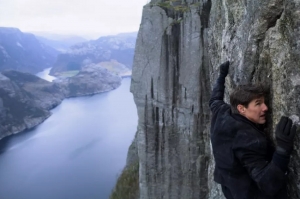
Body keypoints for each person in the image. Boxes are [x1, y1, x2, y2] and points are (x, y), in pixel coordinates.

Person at [209, 61, 297, 199]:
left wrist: (221, 76)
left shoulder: (222, 112)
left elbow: (214, 100)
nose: (265, 108)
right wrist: (283, 150)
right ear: (241, 109)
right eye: (258, 104)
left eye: (264, 102)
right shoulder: (248, 140)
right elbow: (269, 183)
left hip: (229, 186)